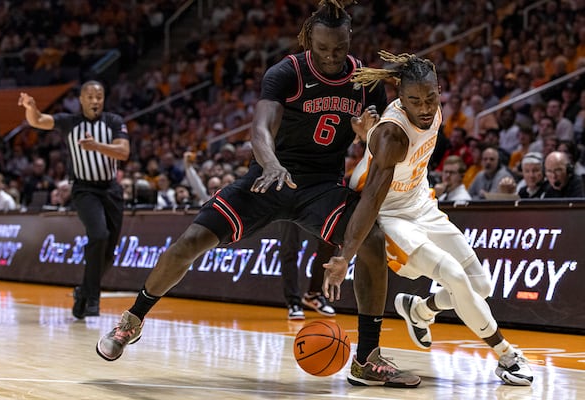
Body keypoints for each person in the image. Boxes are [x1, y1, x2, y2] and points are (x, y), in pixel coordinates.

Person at [96, 1, 420, 389]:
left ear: (349, 38)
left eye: (338, 48)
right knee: (190, 241)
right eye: (322, 49)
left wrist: (368, 136)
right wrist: (269, 163)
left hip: (321, 186)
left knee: (372, 240)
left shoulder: (366, 81)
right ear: (308, 41)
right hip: (268, 179)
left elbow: (380, 144)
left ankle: (368, 358)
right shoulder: (287, 72)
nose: (331, 57)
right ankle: (131, 321)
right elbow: (260, 129)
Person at [324, 50, 533, 386]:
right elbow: (371, 199)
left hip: (421, 202)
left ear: (439, 89)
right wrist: (345, 255)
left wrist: (366, 138)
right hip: (389, 214)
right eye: (414, 101)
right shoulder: (392, 136)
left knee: (481, 285)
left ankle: (419, 310)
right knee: (452, 274)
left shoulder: (435, 109)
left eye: (430, 98)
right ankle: (507, 356)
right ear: (399, 97)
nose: (424, 108)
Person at [18, 80, 130, 319]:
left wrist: (95, 146)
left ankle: (82, 292)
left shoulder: (114, 122)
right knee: (98, 234)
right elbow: (38, 120)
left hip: (111, 190)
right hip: (84, 190)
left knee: (108, 254)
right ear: (81, 99)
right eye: (90, 96)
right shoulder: (70, 122)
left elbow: (123, 152)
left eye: (99, 96)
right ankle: (93, 299)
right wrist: (30, 107)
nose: (95, 101)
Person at [278, 221, 337, 320]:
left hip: (312, 205)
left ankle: (313, 295)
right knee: (289, 247)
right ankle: (293, 303)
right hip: (287, 206)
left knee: (328, 241)